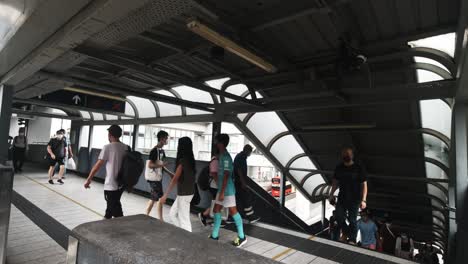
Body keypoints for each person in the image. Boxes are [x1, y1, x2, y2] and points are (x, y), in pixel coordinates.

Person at [209, 134, 247, 247]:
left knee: (233, 211)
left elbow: (226, 175)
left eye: (217, 141)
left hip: (227, 190)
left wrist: (221, 192)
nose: (215, 143)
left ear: (221, 143)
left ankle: (242, 237)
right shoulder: (221, 156)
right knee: (216, 210)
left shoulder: (226, 157)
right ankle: (214, 236)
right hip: (222, 189)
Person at [84, 125, 128, 219]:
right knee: (113, 208)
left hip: (111, 183)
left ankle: (120, 228)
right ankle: (113, 225)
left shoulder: (108, 147)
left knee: (113, 210)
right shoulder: (126, 147)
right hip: (122, 183)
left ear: (110, 135)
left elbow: (97, 165)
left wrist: (89, 179)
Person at [329, 147, 368, 244]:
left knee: (352, 219)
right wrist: (331, 194)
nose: (346, 155)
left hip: (355, 199)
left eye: (348, 154)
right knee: (338, 216)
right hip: (342, 197)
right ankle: (346, 232)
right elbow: (335, 182)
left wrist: (364, 200)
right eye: (344, 154)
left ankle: (352, 239)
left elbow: (364, 185)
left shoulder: (358, 168)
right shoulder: (339, 168)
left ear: (352, 155)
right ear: (342, 156)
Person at [160, 137, 195, 232]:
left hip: (184, 194)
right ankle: (182, 234)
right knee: (172, 214)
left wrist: (165, 195)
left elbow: (174, 180)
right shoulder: (190, 160)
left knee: (184, 220)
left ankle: (188, 239)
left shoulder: (183, 161)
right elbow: (178, 177)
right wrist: (166, 171)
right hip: (187, 193)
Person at [145, 130, 170, 220]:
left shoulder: (162, 151)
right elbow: (150, 165)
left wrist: (170, 173)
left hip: (158, 178)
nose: (167, 140)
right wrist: (162, 165)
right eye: (166, 138)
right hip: (154, 179)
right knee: (160, 199)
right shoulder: (154, 151)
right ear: (161, 139)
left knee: (153, 199)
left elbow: (161, 166)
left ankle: (146, 215)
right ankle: (161, 219)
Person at [233, 144, 260, 223]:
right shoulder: (241, 157)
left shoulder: (240, 156)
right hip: (239, 182)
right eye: (250, 152)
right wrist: (243, 182)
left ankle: (234, 216)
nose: (250, 154)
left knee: (239, 199)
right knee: (246, 199)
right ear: (247, 151)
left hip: (237, 182)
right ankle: (250, 217)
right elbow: (239, 170)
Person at [198, 155, 220, 226]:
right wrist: (219, 184)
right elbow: (214, 173)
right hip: (215, 186)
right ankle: (204, 215)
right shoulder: (216, 161)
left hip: (214, 186)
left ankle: (205, 215)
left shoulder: (214, 160)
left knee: (217, 203)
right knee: (217, 203)